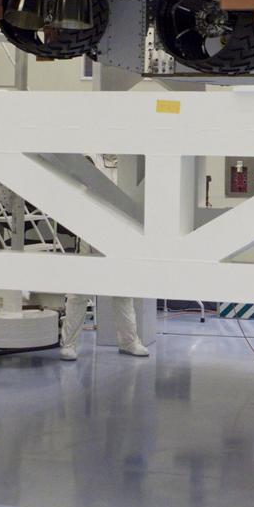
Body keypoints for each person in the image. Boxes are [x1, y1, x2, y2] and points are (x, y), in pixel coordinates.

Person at [60, 154, 148, 361]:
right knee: (79, 292)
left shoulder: (133, 159)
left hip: (122, 231)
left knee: (124, 292)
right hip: (91, 231)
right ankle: (69, 344)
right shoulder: (88, 156)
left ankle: (129, 341)